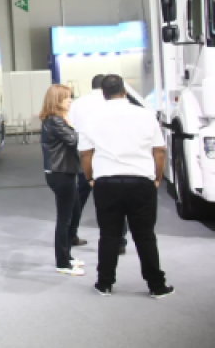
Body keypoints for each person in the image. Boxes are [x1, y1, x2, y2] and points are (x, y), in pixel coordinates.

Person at [79, 75, 174, 298]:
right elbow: (159, 151)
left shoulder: (91, 118)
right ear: (125, 92)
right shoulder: (146, 115)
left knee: (109, 234)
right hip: (141, 181)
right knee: (145, 235)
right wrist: (157, 178)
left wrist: (90, 178)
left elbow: (85, 154)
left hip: (106, 182)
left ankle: (104, 283)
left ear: (103, 94)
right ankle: (157, 286)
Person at [68, 75, 129, 254]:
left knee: (78, 198)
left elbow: (70, 127)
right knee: (115, 201)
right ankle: (119, 241)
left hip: (84, 156)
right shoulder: (112, 104)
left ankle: (70, 234)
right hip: (108, 158)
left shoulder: (78, 103)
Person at [40, 84, 84, 276]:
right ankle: (63, 263)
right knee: (65, 218)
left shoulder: (55, 120)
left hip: (63, 171)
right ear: (57, 100)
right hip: (61, 173)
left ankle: (67, 256)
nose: (70, 101)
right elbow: (74, 140)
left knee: (72, 213)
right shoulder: (56, 121)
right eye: (67, 98)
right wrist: (73, 126)